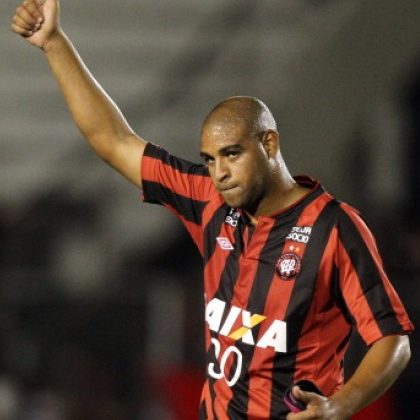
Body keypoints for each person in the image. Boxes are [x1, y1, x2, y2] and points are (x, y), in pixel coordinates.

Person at [11, 1, 413, 419]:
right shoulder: (210, 199)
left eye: (232, 154)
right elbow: (113, 141)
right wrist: (54, 43)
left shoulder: (333, 228)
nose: (219, 172)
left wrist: (338, 405)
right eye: (209, 159)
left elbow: (392, 340)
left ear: (269, 144)